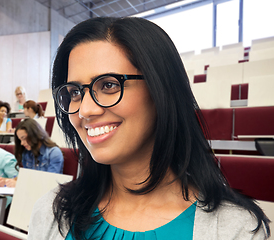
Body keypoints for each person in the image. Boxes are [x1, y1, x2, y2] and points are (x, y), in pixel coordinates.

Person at [28, 17, 270, 240]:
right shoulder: (50, 210)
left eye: (109, 85)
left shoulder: (237, 230)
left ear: (160, 90)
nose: (85, 110)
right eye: (75, 92)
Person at [0, 118, 64, 188]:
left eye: (24, 138)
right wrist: (6, 181)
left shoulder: (54, 153)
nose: (22, 143)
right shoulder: (26, 153)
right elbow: (27, 179)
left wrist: (20, 184)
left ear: (34, 134)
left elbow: (50, 183)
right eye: (20, 140)